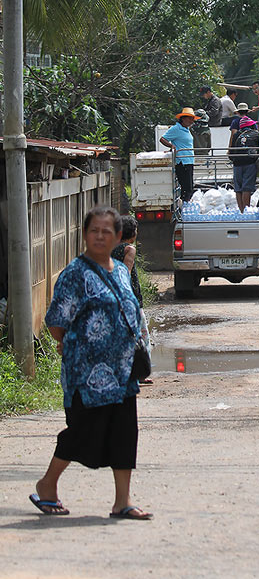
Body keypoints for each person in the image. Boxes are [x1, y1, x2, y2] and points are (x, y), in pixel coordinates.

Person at [30, 206, 152, 519]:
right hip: (87, 374)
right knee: (83, 431)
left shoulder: (122, 272)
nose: (100, 236)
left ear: (117, 236)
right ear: (85, 235)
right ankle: (47, 484)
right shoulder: (75, 273)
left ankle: (122, 501)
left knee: (125, 433)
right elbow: (56, 323)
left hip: (123, 373)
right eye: (94, 230)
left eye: (107, 231)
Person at [111, 215, 152, 386]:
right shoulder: (129, 249)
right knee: (141, 335)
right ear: (133, 233)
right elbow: (125, 275)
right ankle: (140, 373)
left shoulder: (110, 248)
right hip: (129, 299)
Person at [159, 107, 198, 202]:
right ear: (183, 118)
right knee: (187, 189)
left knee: (189, 188)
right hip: (182, 161)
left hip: (189, 161)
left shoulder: (186, 129)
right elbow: (163, 139)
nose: (191, 121)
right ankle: (184, 208)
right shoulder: (176, 129)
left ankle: (185, 207)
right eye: (189, 118)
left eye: (192, 118)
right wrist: (172, 146)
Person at [230, 115, 259, 212]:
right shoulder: (256, 134)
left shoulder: (236, 135)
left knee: (238, 188)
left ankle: (241, 211)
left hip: (237, 164)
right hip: (250, 163)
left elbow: (231, 150)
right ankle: (247, 211)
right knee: (246, 188)